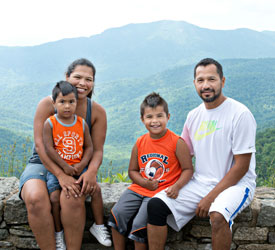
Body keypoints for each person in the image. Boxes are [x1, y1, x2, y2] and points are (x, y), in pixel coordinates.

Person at [147, 58, 257, 250]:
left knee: (217, 215)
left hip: (237, 185)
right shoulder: (193, 116)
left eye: (212, 79)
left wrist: (210, 198)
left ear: (222, 81)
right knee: (155, 206)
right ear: (194, 84)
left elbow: (241, 167)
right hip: (200, 182)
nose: (206, 85)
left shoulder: (240, 114)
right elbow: (184, 156)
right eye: (200, 80)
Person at [19, 58, 111, 250]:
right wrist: (60, 175)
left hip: (76, 163)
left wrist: (91, 172)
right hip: (42, 162)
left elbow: (97, 149)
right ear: (67, 77)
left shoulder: (96, 112)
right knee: (36, 199)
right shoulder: (47, 105)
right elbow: (41, 146)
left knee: (73, 196)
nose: (83, 83)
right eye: (77, 77)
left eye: (89, 79)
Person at [108, 92, 193, 250]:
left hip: (160, 192)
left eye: (159, 116)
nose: (155, 121)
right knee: (117, 214)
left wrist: (176, 187)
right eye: (149, 117)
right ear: (142, 119)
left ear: (168, 117)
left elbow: (188, 169)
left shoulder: (177, 143)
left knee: (139, 224)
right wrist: (143, 182)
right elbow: (132, 171)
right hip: (139, 188)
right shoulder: (140, 142)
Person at [43, 81, 111, 248]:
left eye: (71, 102)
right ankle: (58, 232)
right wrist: (63, 167)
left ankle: (99, 225)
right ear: (54, 103)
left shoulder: (81, 123)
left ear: (76, 102)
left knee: (95, 189)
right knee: (54, 198)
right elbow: (49, 149)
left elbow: (89, 147)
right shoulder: (50, 123)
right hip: (59, 169)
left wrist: (82, 165)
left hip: (79, 166)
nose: (67, 106)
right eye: (62, 102)